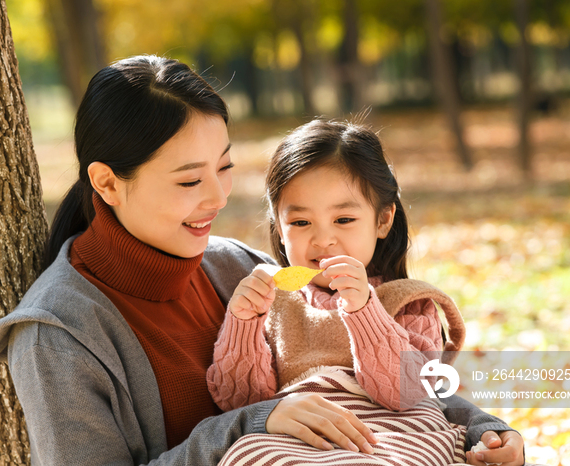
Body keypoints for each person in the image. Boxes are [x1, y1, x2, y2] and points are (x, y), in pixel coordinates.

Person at [0, 55, 525, 466]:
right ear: (107, 183)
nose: (218, 198)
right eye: (190, 180)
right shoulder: (59, 333)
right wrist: (253, 424)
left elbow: (379, 381)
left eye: (225, 168)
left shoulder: (235, 267)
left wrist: (486, 430)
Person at [206, 119, 499, 464]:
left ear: (382, 221)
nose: (323, 239)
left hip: (393, 437)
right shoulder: (274, 302)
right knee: (245, 453)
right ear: (279, 228)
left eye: (343, 220)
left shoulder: (410, 302)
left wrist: (364, 312)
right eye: (300, 223)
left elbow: (405, 395)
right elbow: (240, 403)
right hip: (301, 444)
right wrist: (242, 324)